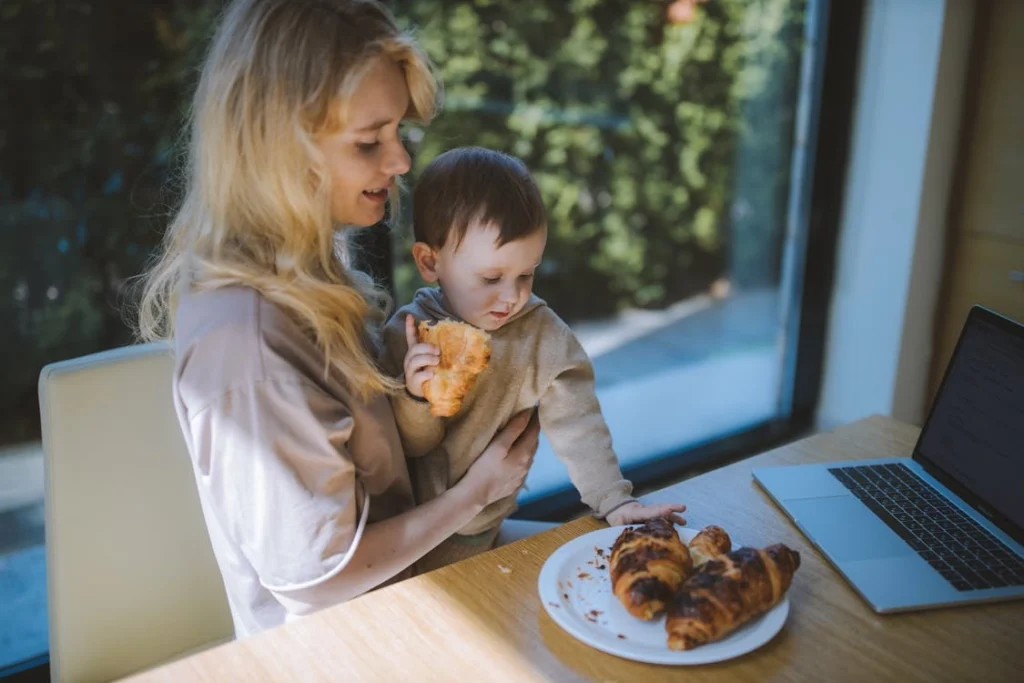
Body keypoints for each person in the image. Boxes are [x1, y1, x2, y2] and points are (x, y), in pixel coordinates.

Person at [135, 0, 540, 638]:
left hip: (415, 586)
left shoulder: (306, 266)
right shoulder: (247, 349)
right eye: (369, 141)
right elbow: (319, 584)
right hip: (351, 645)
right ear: (276, 147)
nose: (402, 161)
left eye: (398, 131)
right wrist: (476, 492)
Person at [381, 147, 687, 573]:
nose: (512, 296)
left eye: (526, 274)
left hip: (487, 527)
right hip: (410, 539)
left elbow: (578, 424)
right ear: (430, 262)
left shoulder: (542, 335)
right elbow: (411, 446)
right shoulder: (408, 334)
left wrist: (614, 500)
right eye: (491, 278)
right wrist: (415, 396)